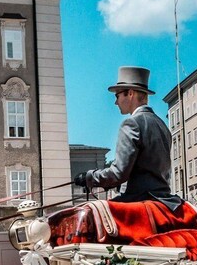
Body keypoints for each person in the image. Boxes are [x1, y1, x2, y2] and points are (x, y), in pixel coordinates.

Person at [74, 66, 183, 211]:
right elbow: (145, 168)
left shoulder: (131, 123)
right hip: (165, 201)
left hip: (139, 200)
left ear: (130, 93)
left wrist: (89, 177)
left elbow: (119, 173)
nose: (116, 102)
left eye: (117, 96)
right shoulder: (162, 125)